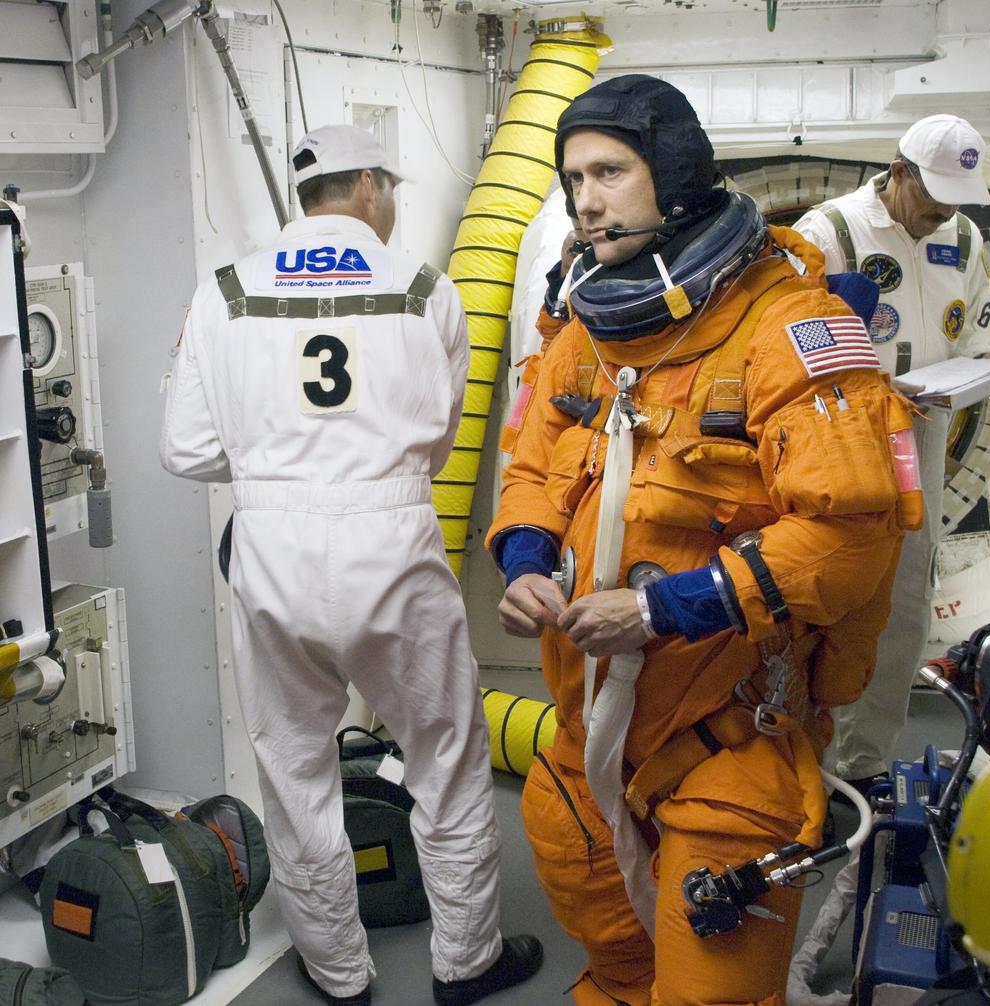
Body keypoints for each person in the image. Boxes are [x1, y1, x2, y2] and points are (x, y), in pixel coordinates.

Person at [488, 74, 909, 1005]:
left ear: (674, 174)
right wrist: (523, 560)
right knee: (611, 952)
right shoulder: (585, 330)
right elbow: (534, 466)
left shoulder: (788, 326)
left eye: (610, 172)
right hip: (592, 732)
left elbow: (849, 540)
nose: (586, 200)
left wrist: (661, 609)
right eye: (573, 178)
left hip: (726, 733)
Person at [159, 124, 541, 1006]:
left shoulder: (224, 291)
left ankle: (337, 973)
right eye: (392, 186)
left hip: (272, 551)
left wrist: (273, 472)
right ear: (369, 183)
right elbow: (438, 442)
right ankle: (467, 962)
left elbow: (185, 450)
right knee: (446, 754)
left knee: (295, 770)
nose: (392, 201)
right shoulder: (425, 289)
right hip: (392, 541)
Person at [794, 113, 990, 792]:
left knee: (908, 598)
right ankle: (800, 765)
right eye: (934, 197)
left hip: (923, 429)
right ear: (898, 172)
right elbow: (788, 342)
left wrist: (986, 362)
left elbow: (975, 330)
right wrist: (867, 384)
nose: (944, 213)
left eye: (957, 200)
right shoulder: (830, 232)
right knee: (828, 593)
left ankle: (866, 764)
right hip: (843, 433)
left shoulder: (962, 236)